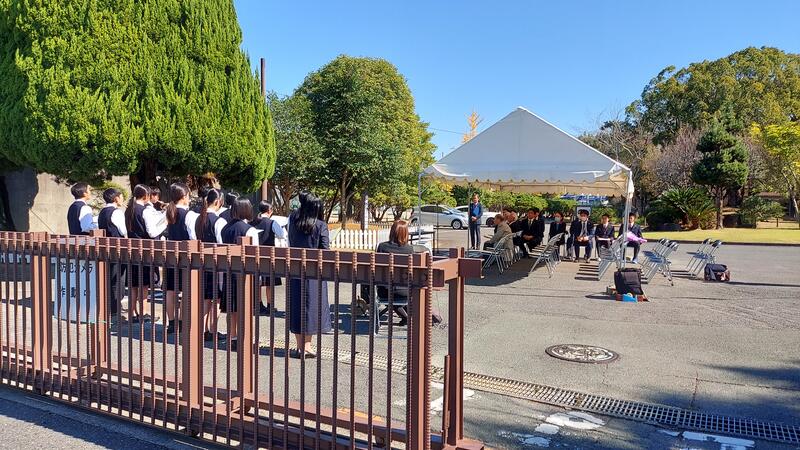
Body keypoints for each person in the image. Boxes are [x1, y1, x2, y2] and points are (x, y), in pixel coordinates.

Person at [372, 220, 442, 326]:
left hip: (386, 290)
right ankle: (410, 317)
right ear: (406, 233)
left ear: (392, 232)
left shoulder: (382, 247)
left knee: (389, 294)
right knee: (401, 296)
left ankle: (406, 317)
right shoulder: (409, 250)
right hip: (407, 290)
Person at [288, 192, 332, 359]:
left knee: (297, 307)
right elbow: (325, 250)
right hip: (314, 273)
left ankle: (300, 347)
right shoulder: (320, 226)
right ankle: (307, 346)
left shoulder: (293, 222)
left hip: (295, 270)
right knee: (312, 308)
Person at [219, 198, 261, 351]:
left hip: (229, 271)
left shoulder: (225, 228)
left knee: (232, 308)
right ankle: (246, 338)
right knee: (246, 307)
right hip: (245, 274)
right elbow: (255, 254)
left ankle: (233, 337)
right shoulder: (250, 230)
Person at [125, 184, 166, 323]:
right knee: (143, 285)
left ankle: (132, 314)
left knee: (133, 285)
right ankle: (143, 313)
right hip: (145, 251)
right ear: (146, 196)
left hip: (132, 250)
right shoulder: (144, 210)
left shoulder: (129, 209)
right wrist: (165, 223)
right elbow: (152, 232)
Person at [194, 188, 227, 341]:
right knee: (217, 300)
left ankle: (202, 330)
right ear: (218, 202)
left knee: (205, 299)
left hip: (202, 262)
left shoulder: (198, 219)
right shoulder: (219, 221)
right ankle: (213, 331)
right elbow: (222, 244)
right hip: (217, 264)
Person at [164, 183, 193, 334]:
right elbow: (193, 237)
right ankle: (181, 322)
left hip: (170, 254)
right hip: (185, 256)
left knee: (171, 290)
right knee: (185, 290)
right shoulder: (188, 215)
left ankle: (171, 323)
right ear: (184, 196)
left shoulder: (168, 212)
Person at [250, 201, 286, 315]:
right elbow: (282, 235)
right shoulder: (272, 222)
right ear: (269, 210)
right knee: (270, 282)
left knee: (258, 281)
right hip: (269, 255)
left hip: (255, 254)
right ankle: (270, 305)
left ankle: (258, 305)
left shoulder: (252, 222)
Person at [97, 188, 127, 321]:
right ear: (116, 198)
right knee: (118, 279)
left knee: (108, 278)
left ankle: (108, 307)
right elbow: (123, 231)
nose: (122, 199)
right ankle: (115, 310)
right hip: (117, 248)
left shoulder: (102, 212)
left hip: (105, 248)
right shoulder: (117, 212)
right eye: (121, 197)